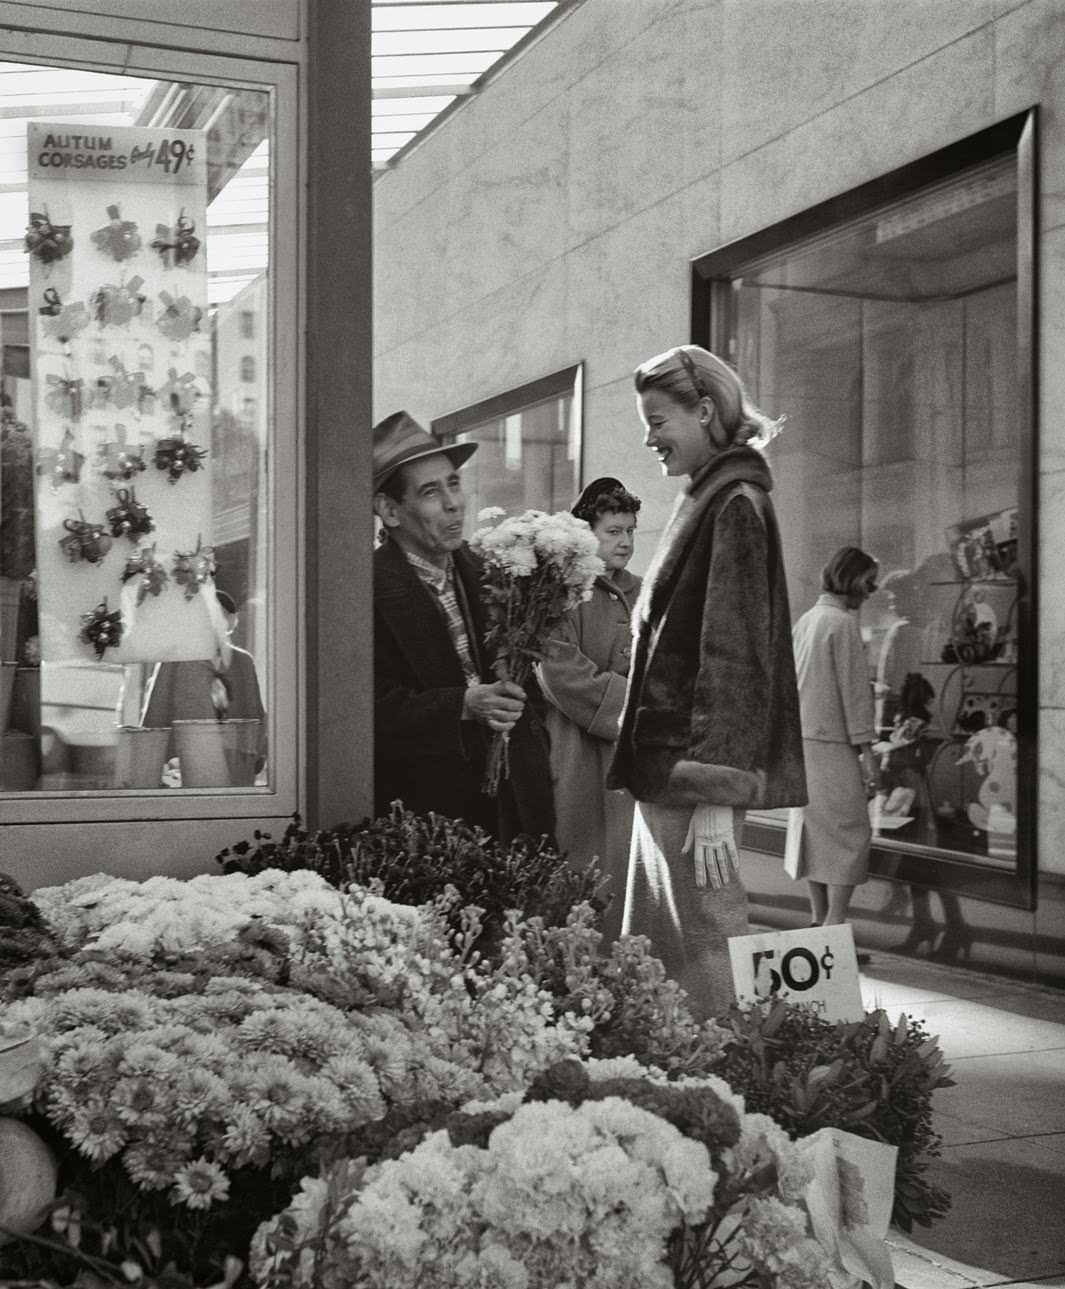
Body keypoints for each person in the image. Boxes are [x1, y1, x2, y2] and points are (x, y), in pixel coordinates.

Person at [607, 345, 807, 1019]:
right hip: (669, 771)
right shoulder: (712, 498)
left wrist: (716, 793)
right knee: (665, 949)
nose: (647, 435)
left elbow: (735, 654)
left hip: (691, 777)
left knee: (705, 949)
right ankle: (677, 1090)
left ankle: (731, 1095)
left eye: (657, 418)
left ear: (703, 410)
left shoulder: (733, 505)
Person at [371, 410, 555, 843]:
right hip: (428, 824)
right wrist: (463, 704)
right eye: (431, 492)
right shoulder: (361, 592)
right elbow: (365, 711)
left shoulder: (494, 570)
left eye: (453, 483)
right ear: (390, 511)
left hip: (518, 813)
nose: (453, 502)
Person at [536, 477, 642, 944]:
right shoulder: (561, 590)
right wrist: (633, 704)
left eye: (631, 531)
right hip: (575, 750)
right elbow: (558, 667)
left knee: (626, 869)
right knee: (580, 860)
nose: (625, 541)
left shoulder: (644, 590)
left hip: (628, 755)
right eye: (614, 531)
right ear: (588, 533)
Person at [791, 547, 879, 935]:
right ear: (853, 580)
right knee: (849, 833)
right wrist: (867, 752)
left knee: (815, 834)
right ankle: (834, 925)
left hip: (804, 743)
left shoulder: (809, 619)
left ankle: (818, 920)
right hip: (834, 745)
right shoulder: (841, 624)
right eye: (869, 582)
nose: (872, 591)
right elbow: (855, 693)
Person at [141, 588, 268, 780]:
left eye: (220, 618)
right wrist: (149, 760)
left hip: (234, 762)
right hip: (184, 763)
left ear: (231, 622)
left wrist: (256, 753)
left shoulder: (243, 662)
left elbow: (255, 712)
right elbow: (156, 712)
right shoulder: (176, 658)